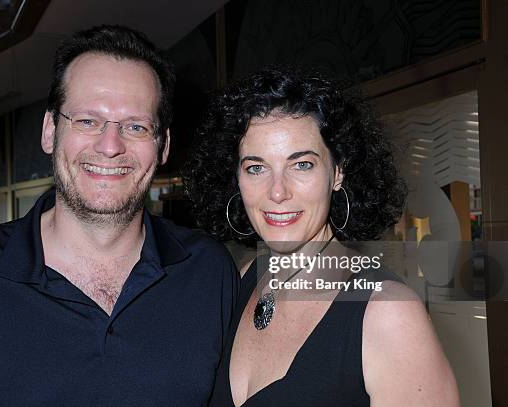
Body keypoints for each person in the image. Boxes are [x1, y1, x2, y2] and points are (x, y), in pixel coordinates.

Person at [0, 25, 238, 406]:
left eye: (136, 126)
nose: (110, 146)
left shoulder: (209, 273)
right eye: (87, 121)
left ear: (163, 146)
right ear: (49, 131)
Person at [184, 68, 459, 406]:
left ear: (337, 171)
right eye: (256, 167)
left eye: (301, 165)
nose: (277, 192)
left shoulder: (389, 314)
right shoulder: (245, 278)